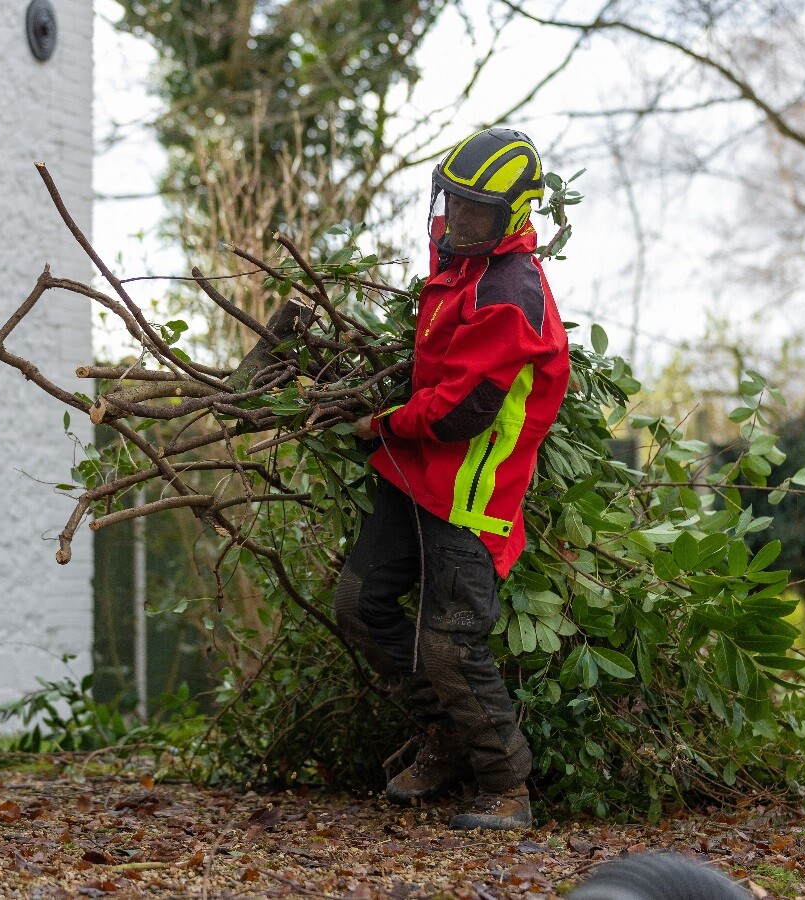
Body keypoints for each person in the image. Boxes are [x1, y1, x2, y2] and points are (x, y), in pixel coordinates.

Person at [335, 127, 571, 830]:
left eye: (476, 212)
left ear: (516, 214)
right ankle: (441, 737)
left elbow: (466, 410)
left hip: (471, 496)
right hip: (412, 477)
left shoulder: (508, 293)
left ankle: (506, 789)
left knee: (449, 643)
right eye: (453, 205)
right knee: (359, 605)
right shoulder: (459, 266)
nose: (458, 221)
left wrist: (383, 423)